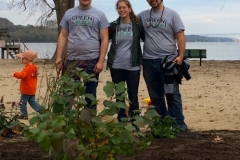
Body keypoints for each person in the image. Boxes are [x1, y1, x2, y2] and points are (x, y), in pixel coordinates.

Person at [138, 0, 188, 130]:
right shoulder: (142, 16)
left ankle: (179, 125)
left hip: (168, 61)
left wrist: (180, 56)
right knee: (155, 96)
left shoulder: (172, 14)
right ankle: (163, 124)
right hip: (148, 61)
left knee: (172, 94)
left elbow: (180, 36)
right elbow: (127, 23)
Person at [55, 0, 109, 110]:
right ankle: (67, 120)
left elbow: (105, 39)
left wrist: (101, 61)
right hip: (71, 60)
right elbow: (63, 35)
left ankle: (89, 123)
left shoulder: (100, 15)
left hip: (92, 60)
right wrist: (59, 57)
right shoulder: (69, 13)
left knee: (90, 94)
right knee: (68, 93)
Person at [107, 0, 145, 123]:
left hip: (133, 66)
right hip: (116, 65)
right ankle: (121, 121)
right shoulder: (113, 26)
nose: (122, 10)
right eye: (119, 8)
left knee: (133, 96)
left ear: (129, 9)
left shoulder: (137, 26)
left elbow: (147, 39)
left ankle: (135, 123)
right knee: (119, 96)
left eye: (124, 7)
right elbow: (103, 40)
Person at [10, 50, 42, 120]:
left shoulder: (27, 68)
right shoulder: (34, 67)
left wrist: (14, 73)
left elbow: (21, 75)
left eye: (22, 58)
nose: (21, 59)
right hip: (32, 89)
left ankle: (24, 114)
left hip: (26, 89)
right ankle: (42, 110)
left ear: (27, 59)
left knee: (22, 102)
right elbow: (35, 73)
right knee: (32, 101)